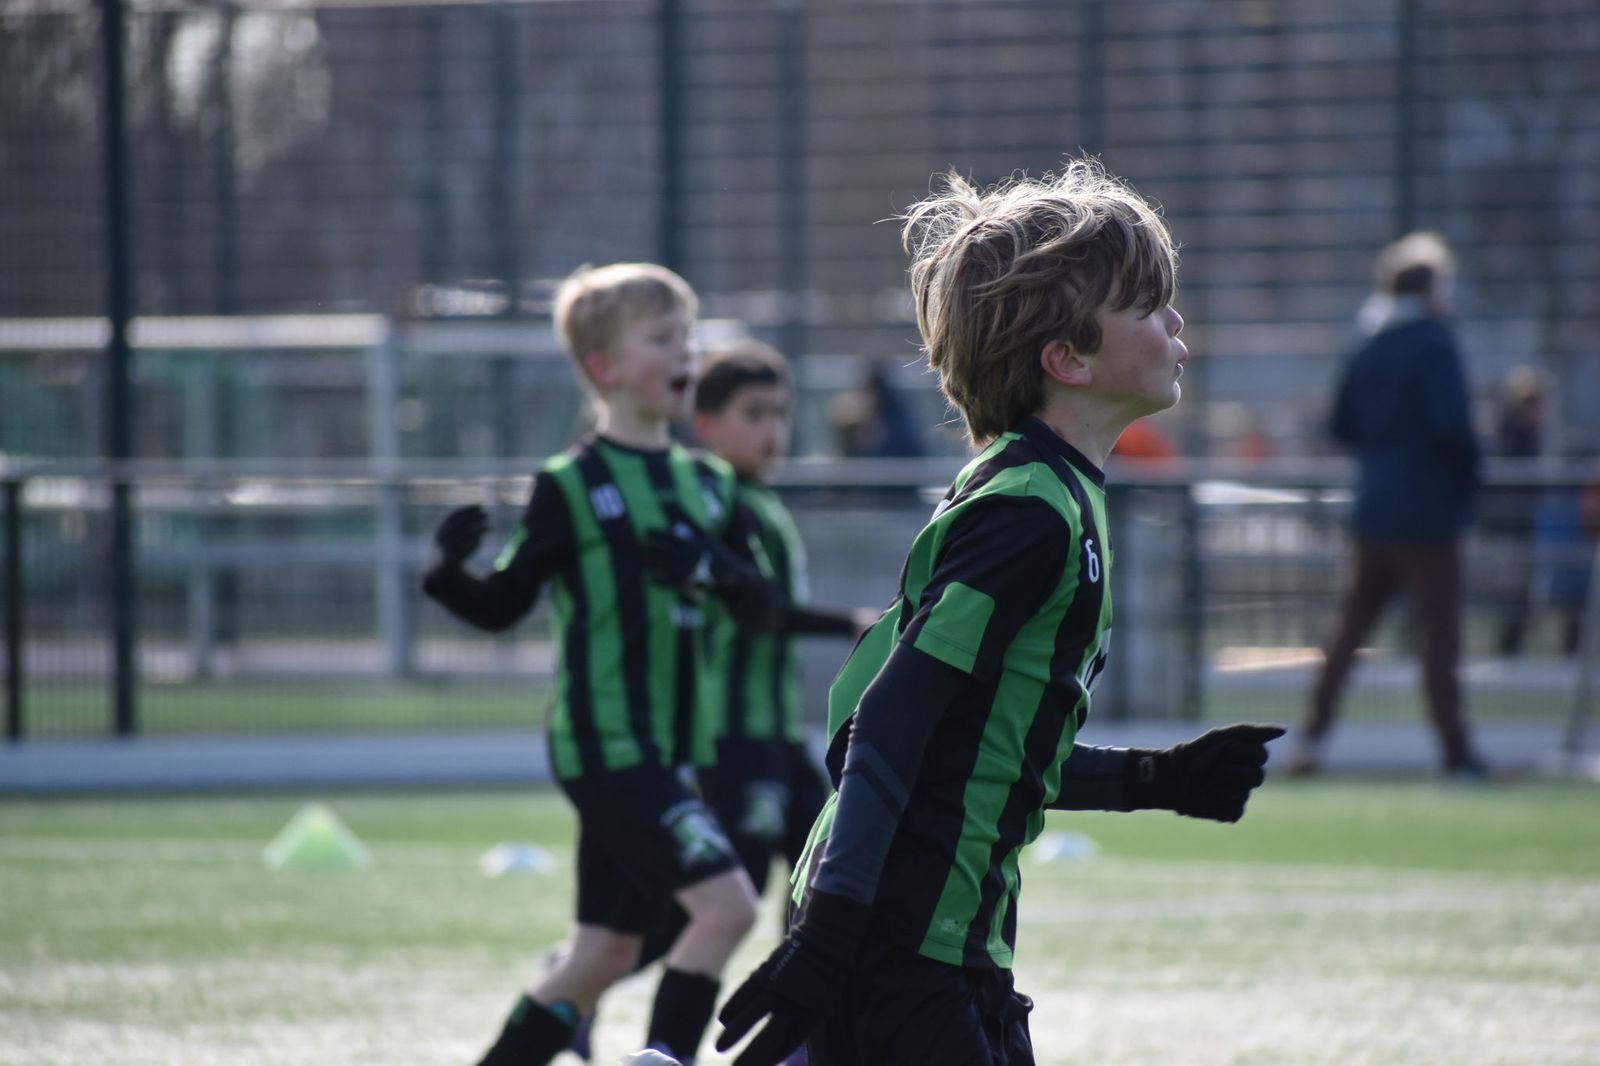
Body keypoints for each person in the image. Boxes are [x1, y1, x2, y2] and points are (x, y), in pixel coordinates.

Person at [713, 160, 1284, 1066]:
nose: (1176, 322)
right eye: (1148, 305)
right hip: (897, 939)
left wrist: (1158, 779)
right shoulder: (1028, 512)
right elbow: (889, 720)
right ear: (1070, 359)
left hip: (940, 941)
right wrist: (831, 932)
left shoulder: (1050, 492)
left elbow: (985, 747)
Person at [423, 262, 781, 1066]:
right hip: (606, 746)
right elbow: (504, 604)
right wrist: (447, 576)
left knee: (603, 955)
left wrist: (710, 567)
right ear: (604, 366)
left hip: (668, 752)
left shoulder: (707, 485)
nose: (685, 352)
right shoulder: (572, 485)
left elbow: (762, 609)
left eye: (687, 336)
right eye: (661, 338)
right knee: (727, 908)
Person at [1289, 232, 1489, 779]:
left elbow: (1342, 425)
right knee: (1439, 637)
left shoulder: (1370, 342)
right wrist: (1468, 478)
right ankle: (1456, 753)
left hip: (1374, 510)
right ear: (1432, 289)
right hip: (1429, 516)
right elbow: (1454, 427)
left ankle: (1312, 740)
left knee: (1349, 633)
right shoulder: (1435, 342)